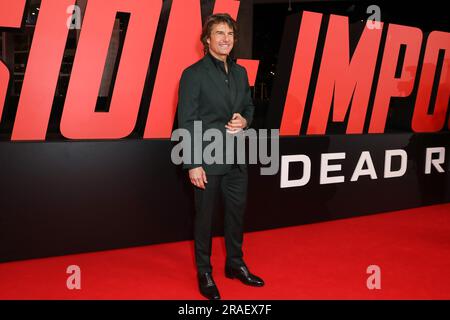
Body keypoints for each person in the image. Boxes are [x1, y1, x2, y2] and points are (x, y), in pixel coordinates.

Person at [177, 13, 264, 300]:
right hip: (207, 158)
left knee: (236, 216)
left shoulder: (241, 73)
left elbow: (250, 107)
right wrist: (193, 163)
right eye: (219, 33)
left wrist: (245, 121)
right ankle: (204, 271)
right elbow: (186, 120)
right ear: (207, 39)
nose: (226, 38)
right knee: (204, 219)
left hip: (237, 158)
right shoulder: (193, 74)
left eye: (230, 34)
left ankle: (235, 264)